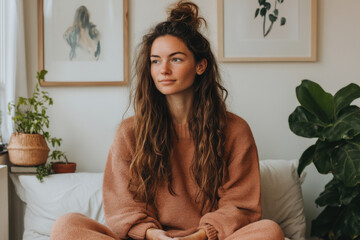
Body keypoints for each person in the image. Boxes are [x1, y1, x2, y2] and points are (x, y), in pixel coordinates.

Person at [51, 1, 284, 240]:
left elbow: (240, 206)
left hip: (206, 239)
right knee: (66, 226)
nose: (163, 70)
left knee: (269, 231)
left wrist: (198, 236)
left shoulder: (235, 130)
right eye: (155, 61)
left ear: (200, 65)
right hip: (152, 238)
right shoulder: (130, 132)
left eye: (176, 59)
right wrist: (155, 235)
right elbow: (123, 208)